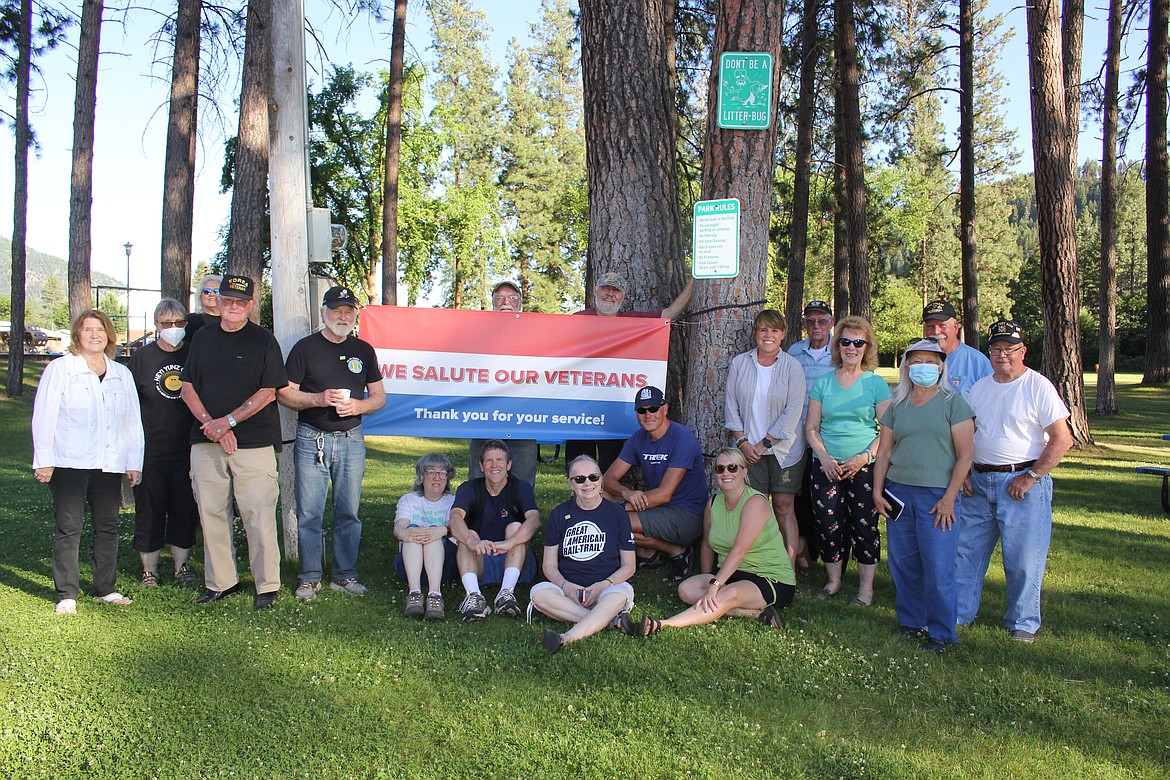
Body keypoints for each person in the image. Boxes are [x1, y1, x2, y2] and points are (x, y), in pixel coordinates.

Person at [954, 320, 1072, 643]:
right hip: (979, 482)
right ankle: (959, 613)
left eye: (1009, 348)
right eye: (995, 349)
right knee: (966, 553)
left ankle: (1023, 621)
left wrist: (1032, 476)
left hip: (1021, 483)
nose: (1002, 354)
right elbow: (969, 433)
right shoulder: (980, 387)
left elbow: (1062, 439)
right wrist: (964, 471)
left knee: (1022, 557)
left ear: (1023, 351)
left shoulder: (1037, 386)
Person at [180, 274, 288, 611]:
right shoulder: (201, 338)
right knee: (211, 512)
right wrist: (212, 427)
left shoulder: (264, 340)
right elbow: (186, 387)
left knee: (258, 513)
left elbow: (269, 391)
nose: (233, 306)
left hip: (253, 443)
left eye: (241, 301)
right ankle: (221, 582)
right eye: (227, 300)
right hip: (206, 440)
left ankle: (266, 586)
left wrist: (227, 423)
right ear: (218, 302)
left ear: (251, 304)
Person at [32, 309, 144, 615]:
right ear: (77, 335)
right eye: (87, 329)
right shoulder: (61, 369)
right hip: (69, 461)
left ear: (109, 335)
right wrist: (44, 460)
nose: (94, 335)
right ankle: (67, 593)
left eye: (100, 330)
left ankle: (105, 588)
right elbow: (45, 415)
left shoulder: (122, 374)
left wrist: (134, 461)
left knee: (107, 526)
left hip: (109, 462)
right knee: (69, 526)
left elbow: (132, 421)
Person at [278, 285, 386, 601]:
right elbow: (284, 392)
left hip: (351, 439)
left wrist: (359, 406)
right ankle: (310, 577)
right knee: (310, 512)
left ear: (355, 315)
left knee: (348, 512)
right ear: (324, 313)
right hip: (312, 438)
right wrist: (318, 398)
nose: (342, 316)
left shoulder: (364, 350)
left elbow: (379, 397)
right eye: (336, 310)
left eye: (348, 311)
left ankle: (344, 575)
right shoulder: (305, 348)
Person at [618, 448, 795, 637]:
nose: (726, 473)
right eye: (720, 469)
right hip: (732, 574)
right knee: (686, 590)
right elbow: (707, 545)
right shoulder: (713, 503)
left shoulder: (755, 502)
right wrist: (707, 577)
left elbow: (740, 551)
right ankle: (755, 614)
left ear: (744, 472)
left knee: (728, 593)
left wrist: (715, 586)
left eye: (732, 468)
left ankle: (663, 624)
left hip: (767, 576)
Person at [872, 338, 975, 654]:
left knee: (938, 565)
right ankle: (911, 621)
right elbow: (885, 452)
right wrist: (877, 491)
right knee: (904, 562)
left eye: (930, 362)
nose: (923, 368)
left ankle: (942, 632)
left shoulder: (953, 404)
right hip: (899, 493)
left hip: (937, 496)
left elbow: (965, 456)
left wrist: (949, 498)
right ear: (906, 366)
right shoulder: (897, 406)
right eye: (916, 361)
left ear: (941, 366)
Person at [567, 271, 694, 475]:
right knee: (577, 467)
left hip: (615, 409)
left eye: (615, 290)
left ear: (623, 296)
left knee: (611, 468)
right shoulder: (576, 320)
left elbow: (669, 314)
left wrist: (695, 280)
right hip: (580, 408)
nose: (610, 294)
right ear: (595, 291)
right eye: (605, 288)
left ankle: (607, 506)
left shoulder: (632, 322)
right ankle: (578, 505)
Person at [805, 315, 892, 605]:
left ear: (867, 347)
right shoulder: (823, 383)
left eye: (858, 342)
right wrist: (824, 457)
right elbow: (812, 428)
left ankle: (865, 590)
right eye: (845, 341)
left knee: (865, 525)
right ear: (837, 345)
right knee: (828, 524)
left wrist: (864, 457)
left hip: (864, 466)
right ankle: (833, 581)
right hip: (827, 466)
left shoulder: (876, 384)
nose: (851, 347)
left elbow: (888, 431)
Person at [724, 309, 807, 567]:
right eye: (763, 330)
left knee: (783, 507)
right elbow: (731, 406)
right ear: (756, 334)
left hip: (784, 451)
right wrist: (743, 443)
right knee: (753, 508)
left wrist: (762, 444)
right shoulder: (740, 363)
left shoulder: (793, 367)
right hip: (747, 451)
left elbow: (792, 412)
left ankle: (788, 565)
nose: (768, 335)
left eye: (774, 330)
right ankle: (756, 564)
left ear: (782, 334)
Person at [529, 455, 637, 653]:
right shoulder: (559, 513)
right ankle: (610, 620)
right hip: (569, 589)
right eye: (579, 479)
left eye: (593, 477)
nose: (587, 483)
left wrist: (603, 585)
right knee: (538, 593)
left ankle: (565, 638)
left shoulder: (617, 513)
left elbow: (629, 565)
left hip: (607, 587)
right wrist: (566, 586)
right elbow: (549, 565)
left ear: (601, 480)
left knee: (619, 595)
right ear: (570, 484)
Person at [601, 385, 708, 581]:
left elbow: (664, 494)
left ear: (665, 409)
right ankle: (649, 554)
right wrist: (626, 493)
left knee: (613, 519)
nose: (647, 415)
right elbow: (607, 479)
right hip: (657, 508)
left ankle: (678, 551)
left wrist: (618, 509)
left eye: (653, 409)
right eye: (642, 410)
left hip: (686, 514)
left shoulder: (682, 437)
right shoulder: (638, 438)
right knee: (600, 496)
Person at [128, 299, 200, 588]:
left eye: (179, 323)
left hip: (188, 447)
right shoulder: (142, 358)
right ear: (156, 326)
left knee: (184, 508)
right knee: (150, 508)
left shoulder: (194, 355)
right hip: (151, 449)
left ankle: (181, 567)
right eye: (166, 324)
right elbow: (130, 405)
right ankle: (150, 570)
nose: (173, 329)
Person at [448, 440, 541, 620]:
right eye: (489, 461)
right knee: (469, 535)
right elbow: (455, 518)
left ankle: (506, 594)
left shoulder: (521, 487)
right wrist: (472, 541)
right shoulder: (469, 488)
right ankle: (473, 596)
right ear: (481, 466)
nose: (494, 465)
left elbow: (534, 519)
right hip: (481, 561)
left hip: (516, 559)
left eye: (499, 460)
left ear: (509, 465)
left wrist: (510, 542)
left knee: (516, 527)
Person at [467, 280, 539, 487]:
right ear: (493, 303)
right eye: (500, 298)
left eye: (512, 298)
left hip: (524, 417)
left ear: (520, 303)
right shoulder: (476, 332)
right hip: (482, 416)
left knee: (523, 476)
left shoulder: (537, 332)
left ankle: (523, 518)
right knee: (479, 474)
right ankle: (477, 516)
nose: (505, 302)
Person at [787, 300, 836, 574]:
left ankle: (829, 549)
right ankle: (805, 547)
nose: (816, 326)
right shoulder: (795, 351)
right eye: (811, 321)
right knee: (800, 496)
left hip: (827, 437)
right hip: (797, 436)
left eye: (822, 320)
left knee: (827, 497)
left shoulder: (841, 351)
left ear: (831, 322)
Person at [394, 453, 458, 620]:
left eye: (442, 473)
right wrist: (406, 533)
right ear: (421, 477)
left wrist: (439, 531)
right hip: (409, 566)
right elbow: (399, 527)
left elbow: (456, 527)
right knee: (414, 530)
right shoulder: (408, 500)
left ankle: (435, 596)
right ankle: (414, 594)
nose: (437, 477)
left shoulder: (453, 501)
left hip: (444, 565)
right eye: (431, 472)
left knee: (434, 534)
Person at [921, 299, 992, 398]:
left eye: (942, 325)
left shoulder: (978, 362)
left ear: (955, 327)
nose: (936, 332)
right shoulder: (917, 362)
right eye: (930, 326)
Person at [185, 274, 222, 340]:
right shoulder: (190, 320)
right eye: (207, 291)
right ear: (200, 296)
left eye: (217, 291)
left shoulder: (230, 320)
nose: (212, 294)